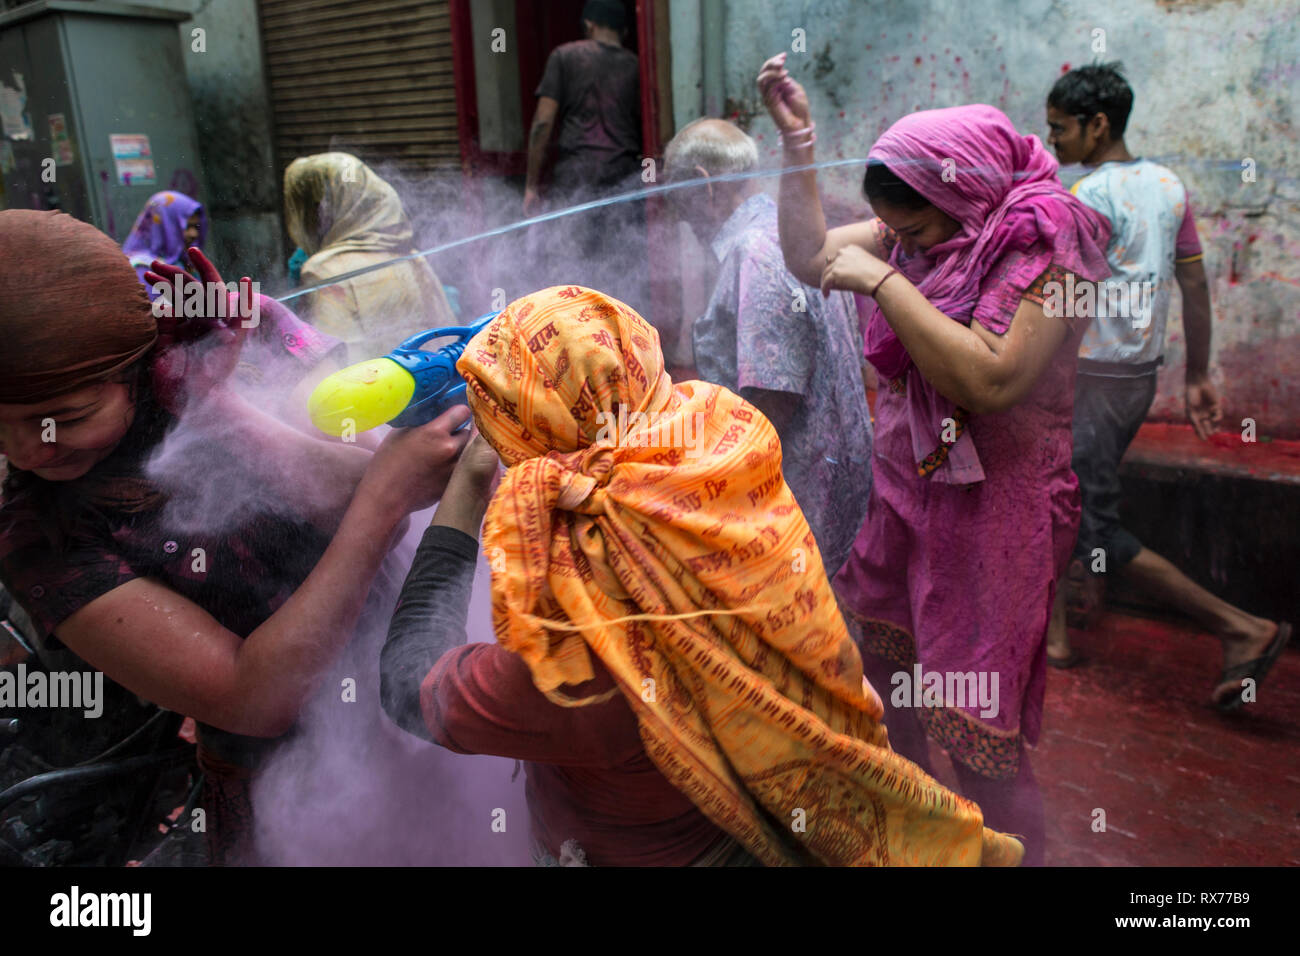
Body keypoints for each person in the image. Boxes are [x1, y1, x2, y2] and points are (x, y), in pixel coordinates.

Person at [379, 285, 1025, 867]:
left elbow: (408, 684)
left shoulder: (578, 659)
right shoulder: (727, 459)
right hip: (755, 828)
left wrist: (464, 490)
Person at [0, 209, 470, 863]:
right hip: (284, 787)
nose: (27, 451)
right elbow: (254, 698)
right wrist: (383, 504)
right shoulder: (41, 535)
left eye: (64, 417)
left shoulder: (241, 338)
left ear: (135, 371)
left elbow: (378, 482)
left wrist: (212, 407)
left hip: (426, 701)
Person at [758, 53, 1114, 866]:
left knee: (977, 728)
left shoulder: (1057, 248)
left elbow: (994, 378)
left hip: (998, 516)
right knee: (892, 698)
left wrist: (886, 285)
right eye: (898, 235)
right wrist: (799, 146)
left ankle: (1012, 854)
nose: (904, 245)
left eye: (916, 233)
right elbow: (809, 256)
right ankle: (918, 848)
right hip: (907, 491)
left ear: (964, 193)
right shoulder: (928, 221)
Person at [1044, 63, 1290, 705]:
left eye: (1060, 129)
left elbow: (1062, 300)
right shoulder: (1168, 185)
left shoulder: (1089, 198)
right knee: (1070, 499)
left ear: (1098, 125)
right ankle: (1057, 631)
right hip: (1137, 380)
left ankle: (1243, 629)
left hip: (1091, 379)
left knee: (1088, 521)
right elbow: (1195, 284)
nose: (1053, 143)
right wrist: (1200, 374)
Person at [663, 118, 873, 576]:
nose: (678, 216)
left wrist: (710, 488)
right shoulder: (788, 233)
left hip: (797, 491)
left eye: (677, 199)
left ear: (703, 185)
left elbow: (774, 398)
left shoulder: (754, 252)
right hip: (837, 481)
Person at [523, 0, 645, 306]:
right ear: (624, 30)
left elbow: (542, 122)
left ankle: (579, 339)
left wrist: (531, 184)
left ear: (589, 24)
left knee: (574, 270)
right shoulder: (636, 66)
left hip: (576, 176)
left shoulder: (564, 56)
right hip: (624, 177)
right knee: (620, 267)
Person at [283, 152, 456, 364]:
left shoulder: (325, 270)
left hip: (379, 391)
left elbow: (336, 363)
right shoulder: (409, 256)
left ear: (317, 209)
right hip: (434, 379)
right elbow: (450, 335)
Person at [122, 190, 205, 295]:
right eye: (187, 227)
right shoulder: (143, 270)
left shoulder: (185, 262)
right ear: (167, 227)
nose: (194, 234)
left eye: (196, 226)